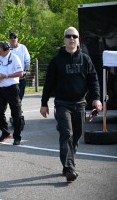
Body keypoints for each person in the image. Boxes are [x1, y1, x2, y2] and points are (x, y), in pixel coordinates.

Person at [40, 27, 102, 182]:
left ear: (78, 40)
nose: (71, 39)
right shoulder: (56, 61)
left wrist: (96, 98)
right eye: (68, 36)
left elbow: (93, 80)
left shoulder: (85, 59)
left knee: (77, 136)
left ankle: (68, 163)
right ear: (64, 40)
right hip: (62, 104)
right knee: (67, 134)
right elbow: (48, 83)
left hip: (80, 104)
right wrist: (44, 103)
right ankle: (69, 168)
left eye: (75, 36)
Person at [0, 41, 24, 145]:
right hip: (2, 89)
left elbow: (20, 73)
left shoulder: (14, 58)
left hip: (12, 88)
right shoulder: (0, 59)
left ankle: (17, 137)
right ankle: (5, 132)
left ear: (5, 49)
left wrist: (6, 76)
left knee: (16, 113)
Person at [9, 32, 31, 101]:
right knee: (12, 97)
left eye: (14, 37)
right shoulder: (7, 49)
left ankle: (18, 109)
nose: (13, 39)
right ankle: (16, 109)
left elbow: (27, 61)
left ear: (17, 39)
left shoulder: (23, 48)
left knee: (20, 96)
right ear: (9, 40)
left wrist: (27, 71)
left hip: (21, 76)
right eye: (11, 38)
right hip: (12, 77)